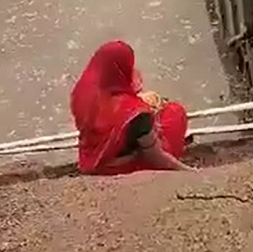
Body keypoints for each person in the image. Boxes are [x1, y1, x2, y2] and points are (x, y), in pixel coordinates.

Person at [70, 40, 193, 175]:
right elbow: (155, 157)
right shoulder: (134, 113)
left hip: (92, 165)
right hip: (121, 168)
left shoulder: (81, 96)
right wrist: (188, 172)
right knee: (174, 112)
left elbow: (108, 111)